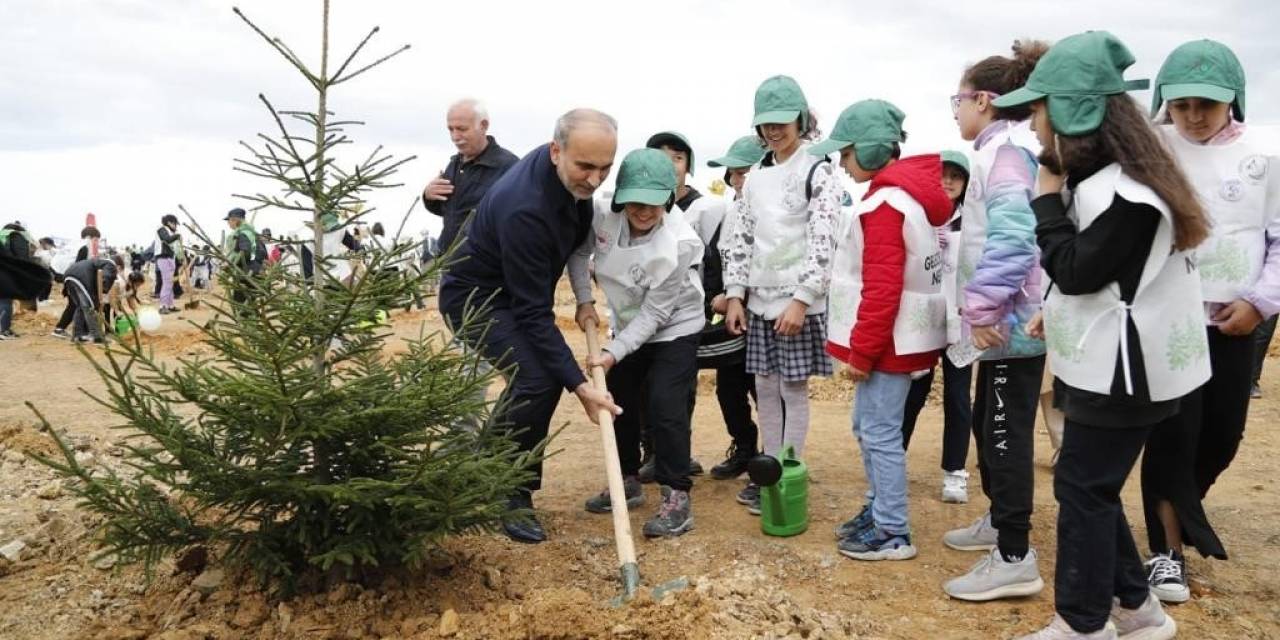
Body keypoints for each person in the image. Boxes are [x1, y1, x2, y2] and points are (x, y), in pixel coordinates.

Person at [996, 30, 1209, 640]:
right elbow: (1098, 278)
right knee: (1088, 484)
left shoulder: (1131, 194)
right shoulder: (1119, 180)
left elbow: (1076, 268)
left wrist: (1042, 202)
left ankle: (1083, 623)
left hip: (1125, 368)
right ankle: (1139, 611)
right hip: (1112, 361)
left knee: (1083, 490)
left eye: (1040, 111)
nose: (1035, 127)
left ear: (1073, 114)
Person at [438, 108, 622, 544]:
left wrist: (583, 300)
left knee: (539, 378)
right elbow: (534, 315)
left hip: (512, 293)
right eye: (586, 167)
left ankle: (485, 467)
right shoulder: (526, 209)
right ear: (556, 151)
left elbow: (578, 246)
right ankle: (509, 492)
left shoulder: (566, 178)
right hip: (474, 298)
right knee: (538, 379)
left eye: (605, 168)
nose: (595, 180)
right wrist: (582, 386)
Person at [1140, 38, 1280, 604]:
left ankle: (1181, 511)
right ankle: (1165, 551)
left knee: (1222, 434)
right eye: (1181, 104)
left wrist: (1260, 302)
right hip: (1166, 315)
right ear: (1163, 103)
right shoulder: (1149, 150)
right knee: (1173, 432)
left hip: (1235, 321)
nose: (1193, 116)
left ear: (1234, 101)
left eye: (1208, 104)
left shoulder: (1267, 156)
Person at [939, 39, 1051, 604]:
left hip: (1011, 322)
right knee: (988, 423)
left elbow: (1014, 237)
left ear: (984, 99)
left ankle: (1014, 553)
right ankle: (997, 521)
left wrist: (981, 309)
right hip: (1001, 322)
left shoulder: (1006, 154)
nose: (954, 110)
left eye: (957, 99)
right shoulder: (998, 148)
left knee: (1005, 435)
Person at [818, 99, 951, 561]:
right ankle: (878, 508)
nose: (841, 162)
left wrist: (861, 352)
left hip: (886, 344)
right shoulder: (900, 197)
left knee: (879, 432)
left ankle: (893, 530)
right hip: (897, 340)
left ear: (871, 150)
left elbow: (882, 287)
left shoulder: (886, 205)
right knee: (868, 426)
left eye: (847, 152)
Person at [568, 148, 704, 537]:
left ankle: (677, 493)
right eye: (634, 203)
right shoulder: (602, 215)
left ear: (668, 198)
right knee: (619, 400)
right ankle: (626, 481)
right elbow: (579, 253)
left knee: (665, 403)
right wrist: (583, 299)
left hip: (676, 325)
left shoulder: (680, 243)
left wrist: (612, 353)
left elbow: (656, 315)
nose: (642, 212)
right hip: (626, 321)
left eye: (653, 204)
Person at [723, 75, 842, 514]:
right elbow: (743, 238)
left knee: (792, 388)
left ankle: (789, 466)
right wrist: (736, 293)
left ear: (799, 119)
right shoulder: (755, 176)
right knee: (764, 386)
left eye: (781, 122)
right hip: (758, 300)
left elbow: (824, 237)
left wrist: (803, 298)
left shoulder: (817, 169)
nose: (773, 131)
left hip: (797, 302)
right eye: (765, 124)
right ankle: (766, 469)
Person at [900, 149, 975, 504]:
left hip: (959, 322)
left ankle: (955, 471)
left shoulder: (974, 221)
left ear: (966, 184)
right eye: (942, 175)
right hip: (923, 321)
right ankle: (893, 459)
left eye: (956, 177)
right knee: (913, 392)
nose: (948, 182)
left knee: (958, 398)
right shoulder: (918, 216)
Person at [696, 136, 768, 480]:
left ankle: (773, 460)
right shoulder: (728, 214)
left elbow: (773, 266)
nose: (737, 180)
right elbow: (713, 261)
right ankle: (744, 448)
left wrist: (742, 296)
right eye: (734, 174)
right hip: (732, 323)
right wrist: (716, 297)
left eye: (744, 173)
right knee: (729, 390)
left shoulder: (771, 215)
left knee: (766, 392)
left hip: (765, 320)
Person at [422, 98, 520, 258]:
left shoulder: (509, 168)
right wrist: (428, 195)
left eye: (461, 129)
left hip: (487, 270)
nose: (455, 136)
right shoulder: (454, 165)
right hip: (449, 266)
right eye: (450, 129)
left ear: (483, 125)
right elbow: (451, 211)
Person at [63, 255, 120, 344]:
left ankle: (77, 335)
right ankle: (98, 336)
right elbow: (105, 278)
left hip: (69, 275)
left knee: (81, 307)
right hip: (81, 277)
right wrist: (102, 294)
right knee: (89, 307)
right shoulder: (111, 265)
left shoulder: (98, 261)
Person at [0, 221, 37, 339]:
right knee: (6, 301)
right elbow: (22, 258)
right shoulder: (16, 236)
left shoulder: (2, 236)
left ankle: (5, 329)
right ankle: (3, 330)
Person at [223, 208, 266, 306]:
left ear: (235, 220)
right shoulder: (252, 233)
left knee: (241, 304)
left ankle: (243, 320)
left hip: (246, 274)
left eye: (229, 220)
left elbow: (245, 252)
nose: (228, 223)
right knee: (250, 305)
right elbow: (263, 253)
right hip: (254, 271)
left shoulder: (243, 234)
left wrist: (231, 263)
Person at [153, 214, 182, 314]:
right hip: (163, 257)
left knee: (170, 282)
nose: (176, 226)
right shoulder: (162, 229)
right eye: (175, 224)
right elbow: (167, 239)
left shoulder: (171, 231)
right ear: (169, 222)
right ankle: (163, 306)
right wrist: (177, 236)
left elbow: (175, 247)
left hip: (171, 258)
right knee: (167, 282)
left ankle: (170, 305)